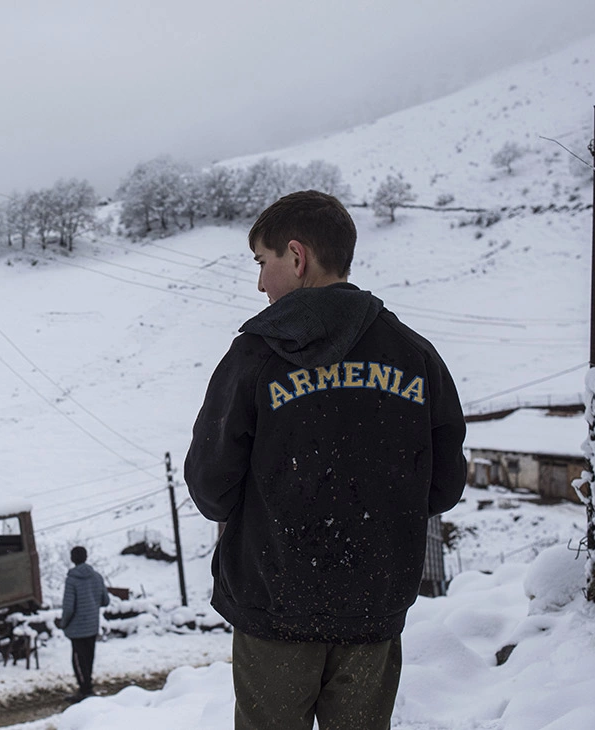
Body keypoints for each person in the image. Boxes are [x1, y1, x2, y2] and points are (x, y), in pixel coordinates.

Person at [184, 190, 467, 730]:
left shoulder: (255, 357)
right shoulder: (413, 354)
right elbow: (445, 485)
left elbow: (211, 487)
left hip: (275, 606)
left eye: (262, 262)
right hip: (373, 608)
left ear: (297, 256)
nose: (260, 283)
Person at [60, 545, 109, 701]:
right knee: (89, 657)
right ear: (86, 557)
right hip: (92, 625)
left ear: (72, 559)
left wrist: (63, 623)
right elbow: (105, 601)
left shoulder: (72, 580)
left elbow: (69, 607)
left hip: (77, 628)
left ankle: (85, 691)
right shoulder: (97, 577)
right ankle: (87, 687)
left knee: (78, 660)